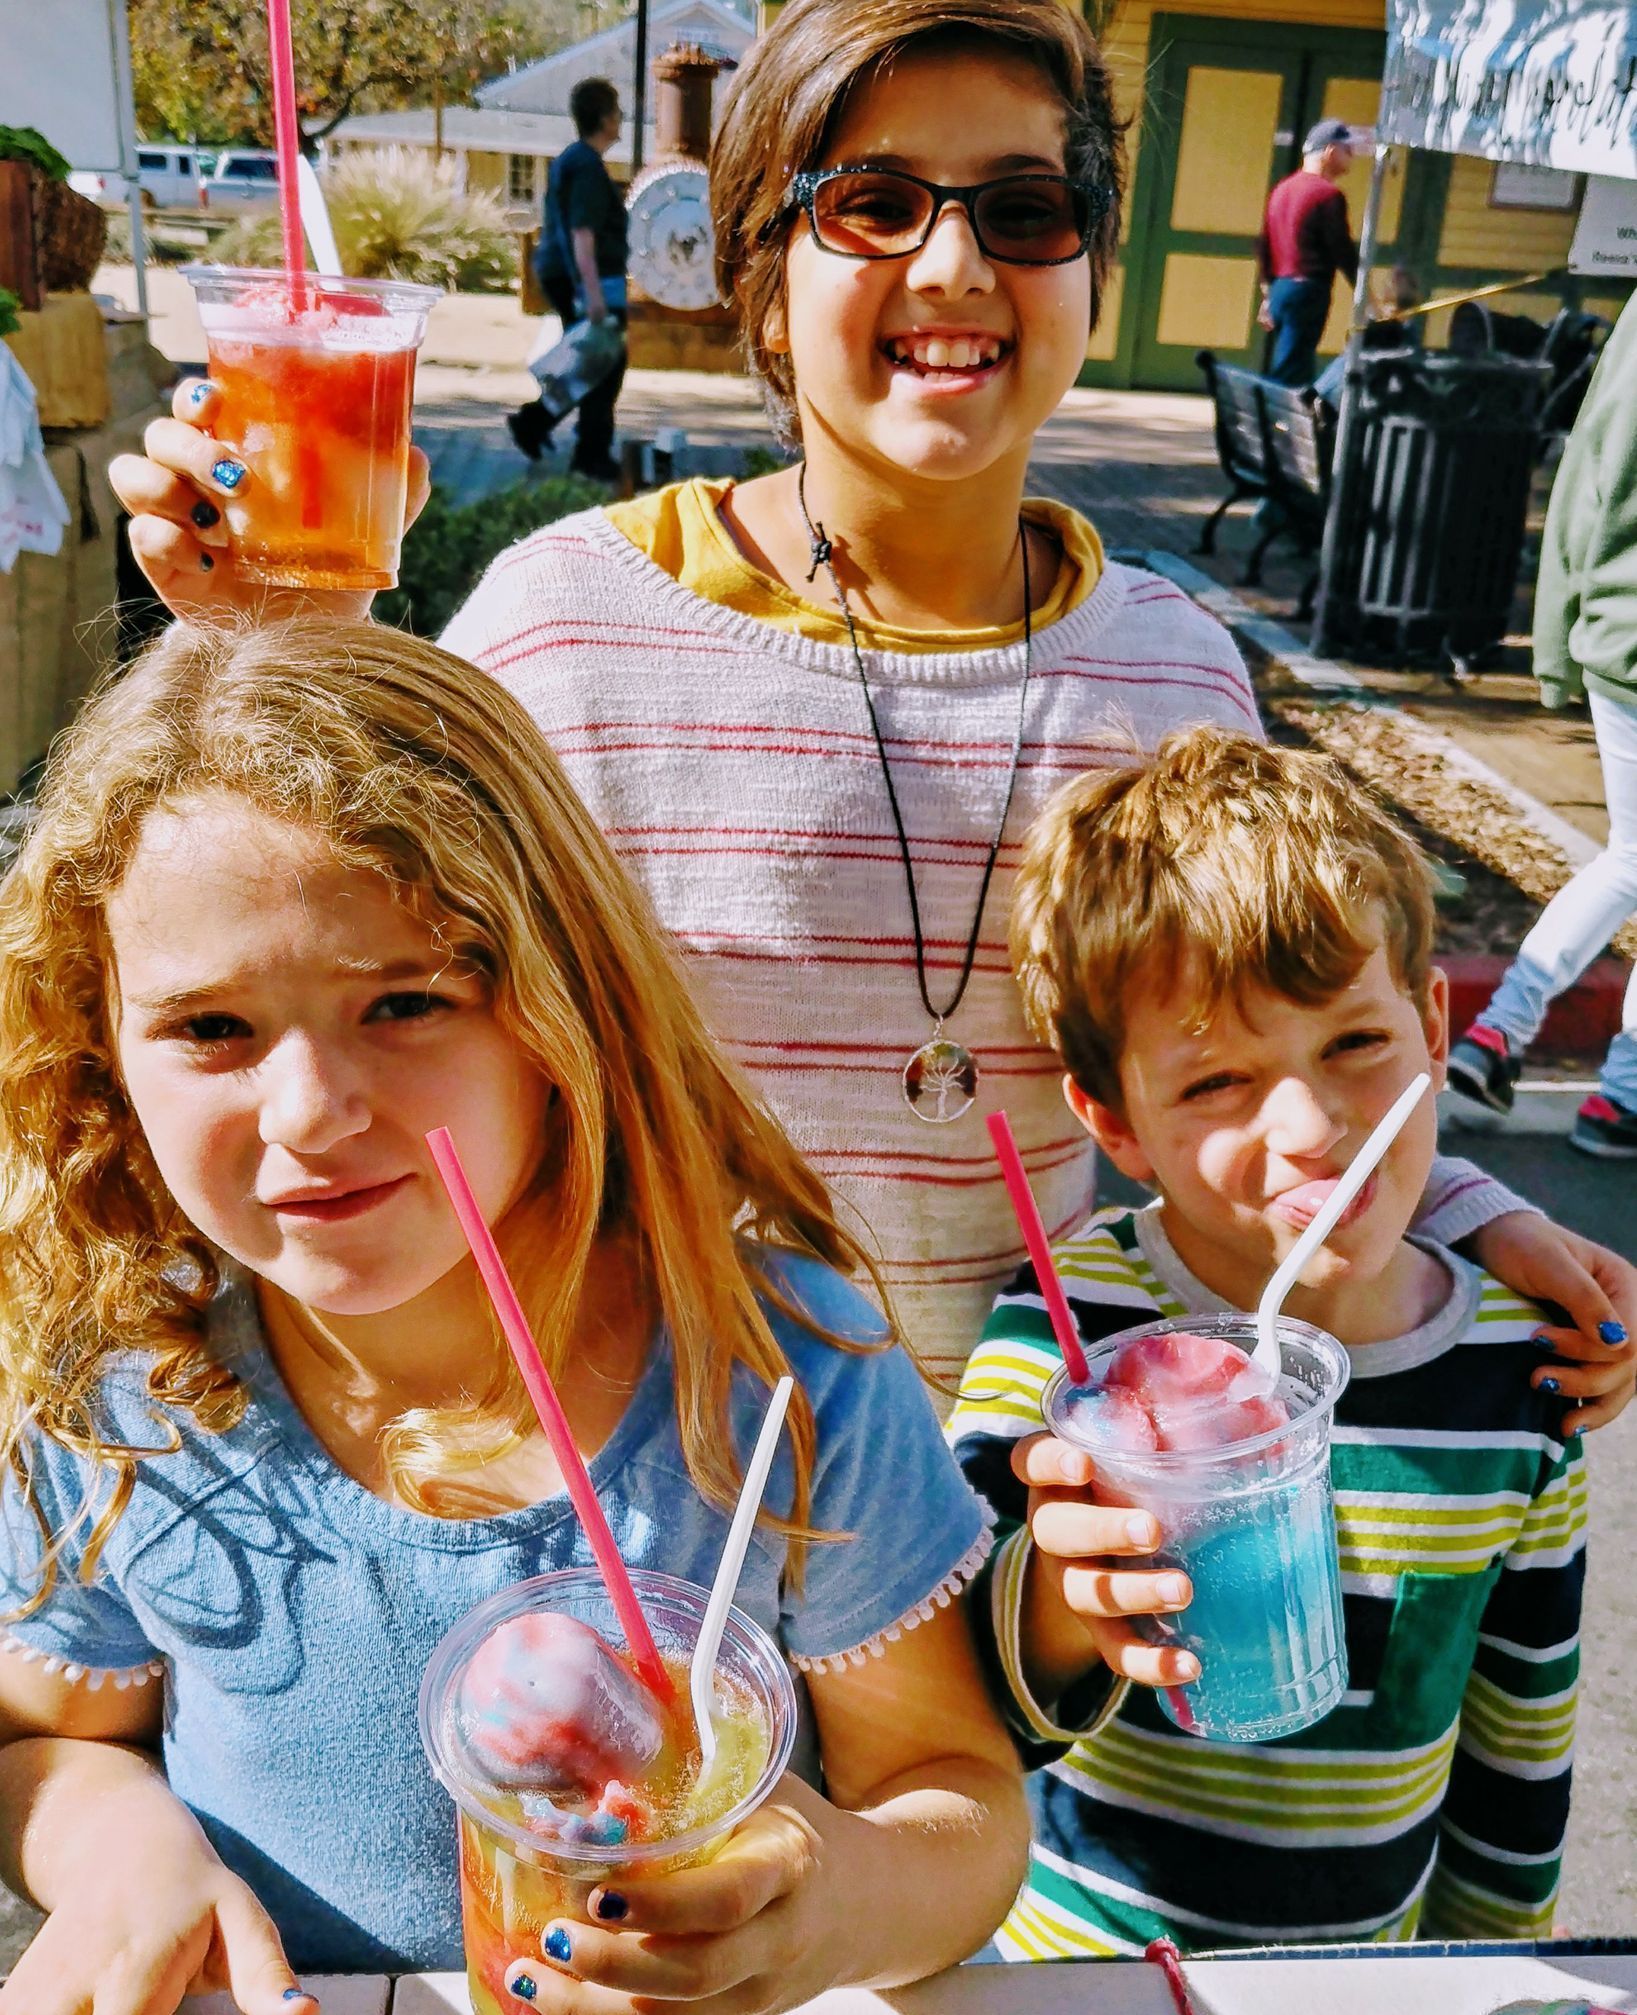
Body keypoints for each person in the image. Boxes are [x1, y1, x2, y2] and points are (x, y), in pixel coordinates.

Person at [109, 0, 1637, 1410]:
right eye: (874, 204)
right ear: (765, 285)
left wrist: (1472, 1210)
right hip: (658, 1475)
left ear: (1092, 272)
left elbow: (1278, 1034)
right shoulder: (568, 622)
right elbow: (349, 1004)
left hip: (1042, 1494)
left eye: (1023, 212)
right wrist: (286, 643)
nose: (956, 266)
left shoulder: (1177, 674)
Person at [0, 616, 1027, 2015]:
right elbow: (52, 1745)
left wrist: (832, 1902)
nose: (310, 1111)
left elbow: (954, 1796)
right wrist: (118, 1848)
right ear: (101, 1046)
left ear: (566, 1013)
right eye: (212, 1029)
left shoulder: (780, 1367)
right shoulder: (130, 1389)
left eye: (407, 999)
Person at [948, 728, 1588, 1957]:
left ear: (1434, 1024)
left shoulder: (1521, 1368)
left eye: (1353, 1043)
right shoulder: (1069, 1334)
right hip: (1078, 1964)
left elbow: (1520, 1733)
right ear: (1113, 1123)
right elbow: (963, 1676)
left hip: (1366, 1968)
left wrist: (1488, 1967)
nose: (1309, 1125)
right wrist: (1066, 1597)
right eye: (1215, 1084)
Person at [1447, 292, 1637, 1159]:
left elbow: (1586, 470)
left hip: (1616, 630)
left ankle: (1498, 1031)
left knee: (1630, 860)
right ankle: (1622, 1096)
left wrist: (1558, 631)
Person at [507, 75, 629, 481]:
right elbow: (582, 232)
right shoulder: (586, 167)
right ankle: (589, 454)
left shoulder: (575, 159)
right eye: (616, 112)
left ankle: (535, 424)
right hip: (586, 282)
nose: (621, 119)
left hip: (569, 275)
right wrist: (592, 294)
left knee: (593, 361)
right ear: (605, 118)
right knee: (604, 362)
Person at [1256, 117, 1359, 388]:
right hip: (1308, 291)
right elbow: (1343, 250)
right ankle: (1271, 423)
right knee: (1290, 371)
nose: (1353, 156)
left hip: (1280, 289)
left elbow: (1264, 244)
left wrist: (1267, 294)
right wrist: (1366, 294)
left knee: (1293, 361)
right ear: (1330, 150)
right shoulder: (1328, 195)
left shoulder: (1281, 189)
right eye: (1348, 150)